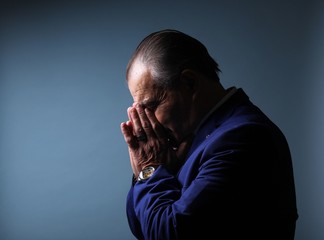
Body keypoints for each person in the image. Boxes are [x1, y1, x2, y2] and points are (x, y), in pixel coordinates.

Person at [120, 29, 298, 240]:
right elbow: (142, 226)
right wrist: (153, 172)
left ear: (190, 83)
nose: (149, 122)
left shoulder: (244, 137)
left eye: (151, 106)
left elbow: (168, 234)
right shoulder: (190, 139)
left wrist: (149, 169)